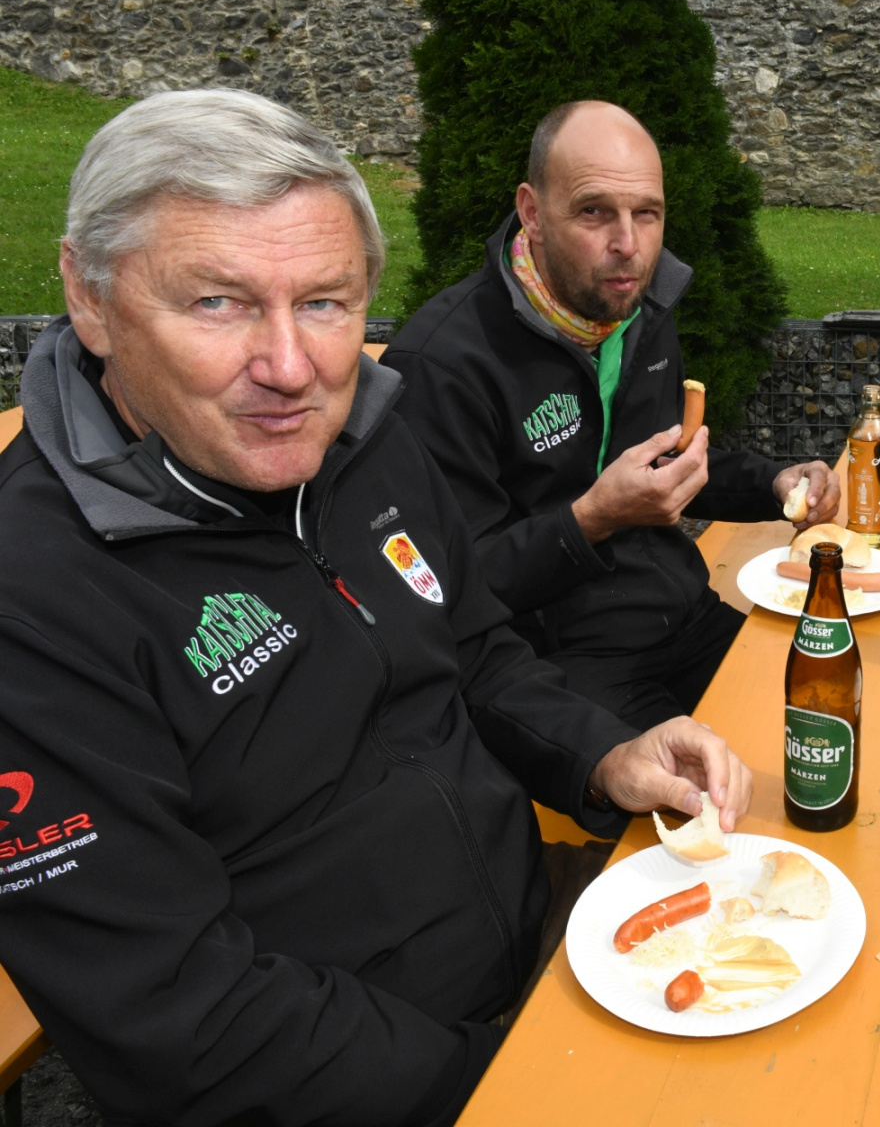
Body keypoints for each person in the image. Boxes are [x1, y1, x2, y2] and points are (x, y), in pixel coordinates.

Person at [0, 89, 752, 1124]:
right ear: (89, 298)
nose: (291, 369)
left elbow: (475, 646)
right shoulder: (35, 601)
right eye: (217, 302)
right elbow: (180, 1022)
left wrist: (602, 755)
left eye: (325, 302)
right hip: (380, 1077)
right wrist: (508, 1080)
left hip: (536, 932)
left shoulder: (364, 434)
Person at [382, 102, 837, 730]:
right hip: (558, 668)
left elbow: (668, 458)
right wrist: (592, 519)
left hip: (684, 616)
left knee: (829, 705)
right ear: (532, 212)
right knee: (740, 773)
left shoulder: (636, 309)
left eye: (647, 213)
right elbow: (444, 585)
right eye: (594, 212)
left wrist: (774, 483)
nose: (629, 246)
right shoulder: (442, 364)